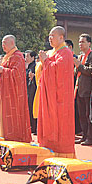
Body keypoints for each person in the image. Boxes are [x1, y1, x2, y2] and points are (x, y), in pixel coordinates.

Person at [37, 26, 75, 158]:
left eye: (53, 35)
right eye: (49, 35)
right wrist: (43, 62)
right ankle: (47, 153)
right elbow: (41, 72)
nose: (50, 38)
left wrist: (45, 61)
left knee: (60, 125)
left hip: (60, 98)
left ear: (61, 37)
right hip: (48, 95)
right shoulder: (50, 52)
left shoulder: (65, 52)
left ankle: (63, 155)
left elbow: (59, 70)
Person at [0, 35, 31, 142]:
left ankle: (14, 138)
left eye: (5, 43)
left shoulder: (18, 56)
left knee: (13, 118)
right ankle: (3, 137)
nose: (3, 45)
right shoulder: (7, 56)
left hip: (13, 94)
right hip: (4, 92)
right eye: (2, 43)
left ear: (12, 43)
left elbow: (17, 75)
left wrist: (3, 71)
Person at [74, 33, 92, 146]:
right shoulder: (80, 56)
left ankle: (90, 137)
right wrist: (77, 66)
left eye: (83, 42)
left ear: (89, 43)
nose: (80, 44)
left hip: (88, 89)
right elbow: (77, 72)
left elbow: (91, 70)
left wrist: (79, 66)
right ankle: (84, 136)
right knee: (82, 115)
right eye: (79, 42)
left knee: (89, 115)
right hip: (79, 88)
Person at [25, 50, 37, 134]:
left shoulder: (35, 66)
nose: (26, 58)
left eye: (27, 56)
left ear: (33, 57)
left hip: (33, 89)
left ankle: (34, 127)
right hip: (28, 88)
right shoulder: (28, 66)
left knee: (32, 107)